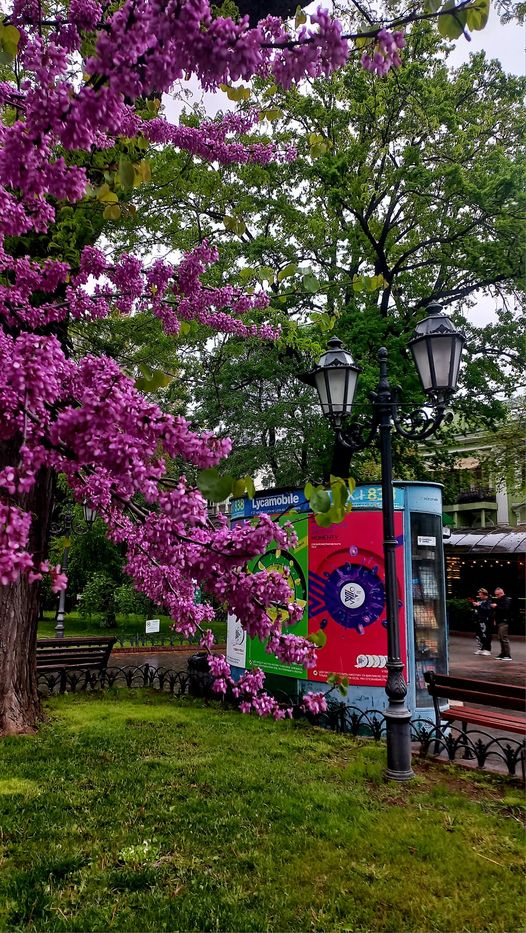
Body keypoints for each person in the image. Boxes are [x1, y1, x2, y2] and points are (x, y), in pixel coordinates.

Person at [470, 588, 494, 656]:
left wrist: (479, 605)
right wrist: (475, 606)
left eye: (480, 595)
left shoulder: (489, 601)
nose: (479, 596)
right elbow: (479, 609)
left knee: (485, 634)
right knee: (479, 635)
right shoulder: (481, 601)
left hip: (485, 620)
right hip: (479, 620)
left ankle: (487, 649)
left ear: (484, 595)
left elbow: (487, 609)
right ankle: (481, 648)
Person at [491, 587, 513, 661]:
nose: (496, 596)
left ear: (501, 593)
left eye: (497, 594)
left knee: (504, 638)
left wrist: (496, 606)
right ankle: (503, 654)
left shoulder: (506, 600)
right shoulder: (501, 600)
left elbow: (505, 609)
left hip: (504, 621)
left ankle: (507, 655)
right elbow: (499, 611)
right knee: (501, 638)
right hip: (500, 621)